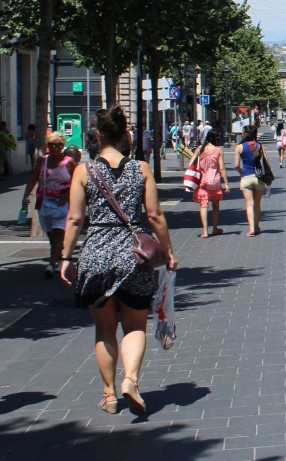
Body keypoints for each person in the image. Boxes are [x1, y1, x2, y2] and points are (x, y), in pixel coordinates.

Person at [58, 105, 177, 415]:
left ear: (98, 135)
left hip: (96, 253)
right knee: (135, 325)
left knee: (104, 329)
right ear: (126, 134)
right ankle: (131, 380)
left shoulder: (83, 171)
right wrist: (168, 250)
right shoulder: (141, 169)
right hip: (132, 255)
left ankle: (109, 394)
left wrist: (66, 257)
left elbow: (74, 218)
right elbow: (154, 215)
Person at [22, 131, 76, 277]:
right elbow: (33, 179)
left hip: (62, 204)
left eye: (57, 145)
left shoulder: (69, 162)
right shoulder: (42, 161)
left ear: (62, 146)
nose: (54, 148)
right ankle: (58, 258)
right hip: (45, 203)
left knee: (58, 233)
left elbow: (77, 183)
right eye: (51, 145)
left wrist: (68, 194)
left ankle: (51, 265)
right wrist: (26, 196)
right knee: (52, 235)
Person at [192, 130, 230, 237]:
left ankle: (205, 231)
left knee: (204, 206)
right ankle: (214, 228)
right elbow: (221, 168)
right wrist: (226, 183)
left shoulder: (200, 149)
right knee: (215, 206)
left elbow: (192, 162)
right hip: (214, 179)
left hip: (202, 180)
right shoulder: (218, 150)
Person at [236, 125, 268, 236]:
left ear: (245, 134)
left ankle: (251, 229)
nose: (241, 134)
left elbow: (236, 165)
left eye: (242, 132)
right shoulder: (260, 146)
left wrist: (241, 173)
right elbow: (265, 163)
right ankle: (257, 226)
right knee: (257, 204)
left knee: (249, 204)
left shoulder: (239, 147)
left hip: (246, 177)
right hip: (258, 177)